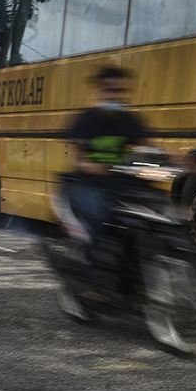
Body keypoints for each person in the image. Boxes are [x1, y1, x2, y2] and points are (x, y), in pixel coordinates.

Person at [62, 66, 156, 301]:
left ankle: (141, 276)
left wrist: (182, 162)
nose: (116, 95)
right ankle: (89, 279)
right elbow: (78, 160)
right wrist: (94, 167)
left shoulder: (130, 120)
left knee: (156, 214)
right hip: (88, 186)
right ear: (100, 92)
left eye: (121, 91)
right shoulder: (85, 121)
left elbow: (151, 148)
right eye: (110, 90)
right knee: (102, 221)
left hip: (122, 184)